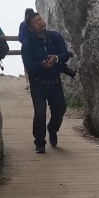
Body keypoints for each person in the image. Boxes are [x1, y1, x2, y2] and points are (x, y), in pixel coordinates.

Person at [20, 11, 73, 153]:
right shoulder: (27, 44)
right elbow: (28, 65)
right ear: (31, 28)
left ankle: (52, 129)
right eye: (36, 22)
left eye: (40, 19)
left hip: (54, 81)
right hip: (38, 83)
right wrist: (41, 65)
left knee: (60, 109)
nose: (40, 22)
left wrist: (55, 58)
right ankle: (40, 143)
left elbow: (65, 54)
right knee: (40, 112)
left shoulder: (55, 37)